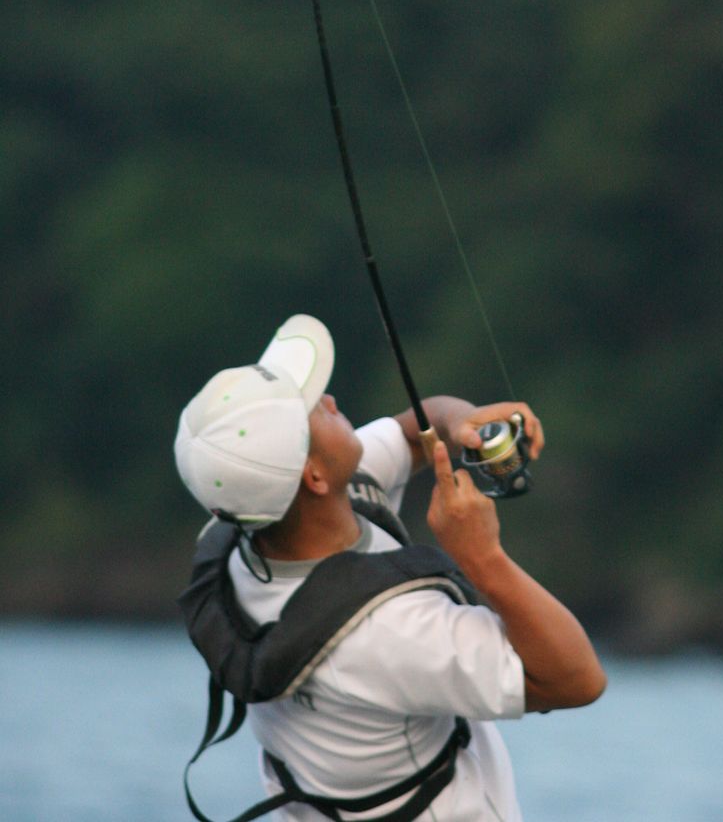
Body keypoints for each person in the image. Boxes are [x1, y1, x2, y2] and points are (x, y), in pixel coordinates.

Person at [174, 314, 605, 821]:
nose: (333, 401)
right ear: (313, 475)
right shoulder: (390, 634)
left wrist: (459, 421)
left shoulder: (244, 539)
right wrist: (483, 557)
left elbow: (408, 432)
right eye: (316, 409)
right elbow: (576, 680)